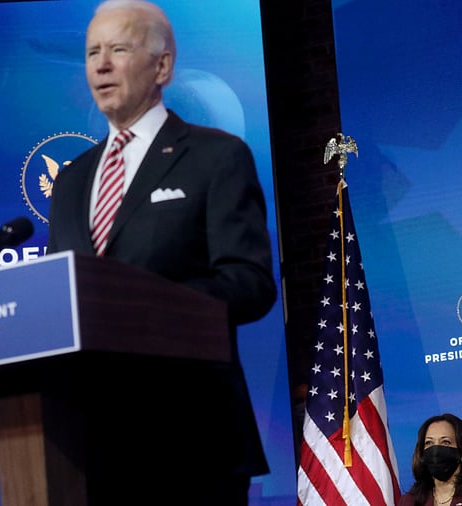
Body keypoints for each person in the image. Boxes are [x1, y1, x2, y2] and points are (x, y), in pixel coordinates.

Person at [46, 0, 276, 503]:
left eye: (118, 49)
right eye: (91, 53)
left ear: (163, 66)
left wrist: (140, 303)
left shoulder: (215, 157)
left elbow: (250, 283)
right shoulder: (70, 181)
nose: (101, 65)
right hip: (86, 446)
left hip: (191, 439)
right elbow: (55, 299)